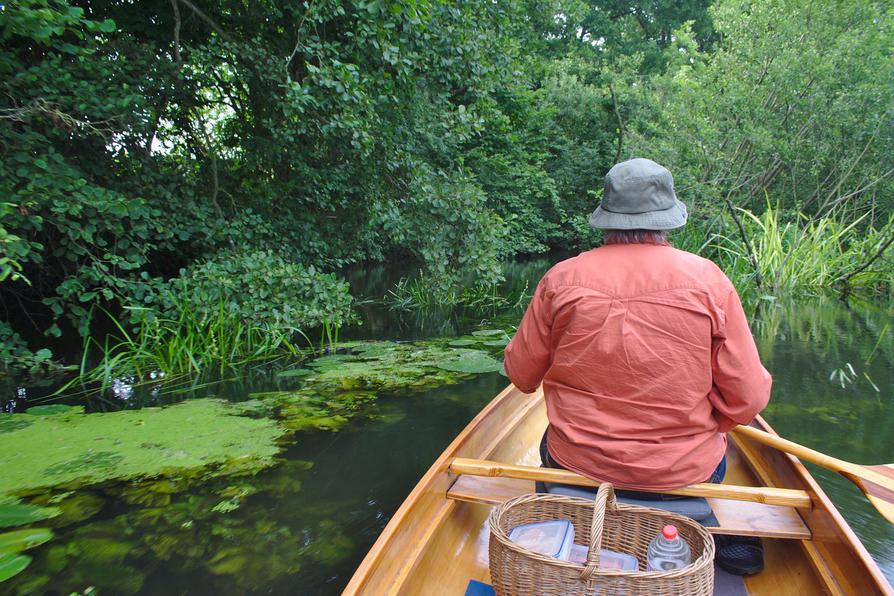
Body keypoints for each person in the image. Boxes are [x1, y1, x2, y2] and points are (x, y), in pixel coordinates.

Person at [504, 157, 772, 493]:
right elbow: (747, 399)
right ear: (667, 221)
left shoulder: (561, 279)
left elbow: (521, 375)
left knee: (551, 448)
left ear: (607, 220)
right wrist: (709, 427)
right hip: (685, 470)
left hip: (578, 463)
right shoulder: (709, 281)